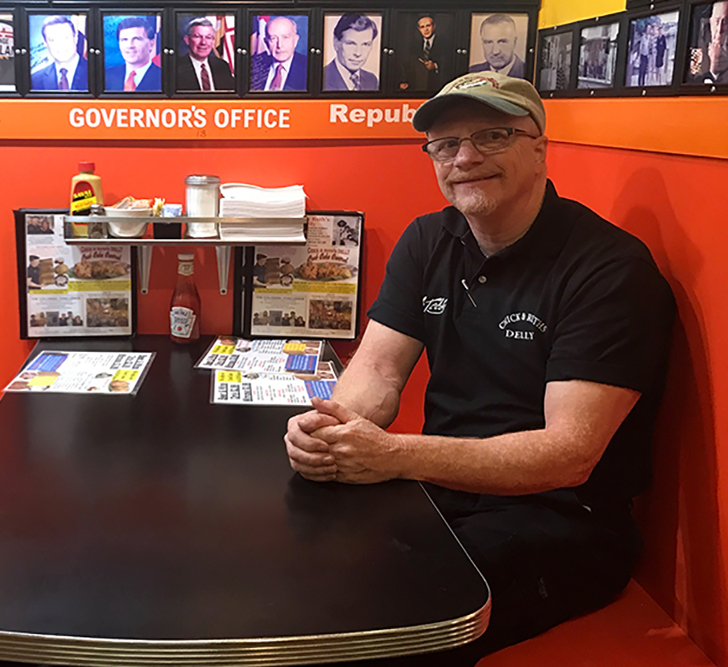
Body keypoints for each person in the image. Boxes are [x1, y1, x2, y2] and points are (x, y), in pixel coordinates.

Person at [284, 72, 675, 665]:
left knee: (379, 624)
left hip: (562, 523)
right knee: (296, 565)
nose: (465, 158)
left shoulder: (611, 268)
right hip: (442, 489)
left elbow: (569, 456)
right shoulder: (427, 240)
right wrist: (331, 429)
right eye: (445, 144)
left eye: (492, 135)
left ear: (539, 145)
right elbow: (379, 375)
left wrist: (390, 456)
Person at [30, 16, 88, 92]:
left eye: (66, 38)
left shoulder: (98, 73)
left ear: (76, 38)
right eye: (52, 40)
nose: (60, 45)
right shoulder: (35, 80)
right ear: (45, 43)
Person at [323, 14, 379, 92]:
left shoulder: (372, 80)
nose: (358, 53)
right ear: (336, 43)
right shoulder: (321, 78)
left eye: (365, 44)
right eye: (351, 44)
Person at [176, 17, 234, 91]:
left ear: (213, 41)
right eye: (197, 36)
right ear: (187, 40)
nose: (203, 42)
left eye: (208, 37)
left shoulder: (222, 66)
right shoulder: (176, 68)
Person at [250, 16, 307, 91]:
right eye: (273, 38)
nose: (279, 45)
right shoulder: (254, 65)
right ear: (266, 42)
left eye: (285, 37)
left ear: (295, 40)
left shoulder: (308, 67)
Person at [105, 17, 161, 92]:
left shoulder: (163, 77)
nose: (130, 45)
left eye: (136, 39)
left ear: (151, 44)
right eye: (124, 40)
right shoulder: (106, 76)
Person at [399, 15, 453, 91]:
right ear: (419, 29)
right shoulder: (414, 45)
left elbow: (450, 64)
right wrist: (404, 81)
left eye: (428, 26)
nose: (426, 29)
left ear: (434, 26)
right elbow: (408, 66)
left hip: (439, 87)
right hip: (419, 88)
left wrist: (435, 66)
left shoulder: (444, 42)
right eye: (422, 27)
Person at [469, 14, 526, 78]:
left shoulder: (527, 72)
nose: (495, 52)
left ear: (514, 42)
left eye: (502, 42)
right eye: (488, 42)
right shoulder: (472, 73)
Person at [690, 2, 728, 83]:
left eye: (725, 22)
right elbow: (694, 76)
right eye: (717, 21)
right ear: (711, 21)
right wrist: (713, 70)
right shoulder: (697, 43)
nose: (720, 29)